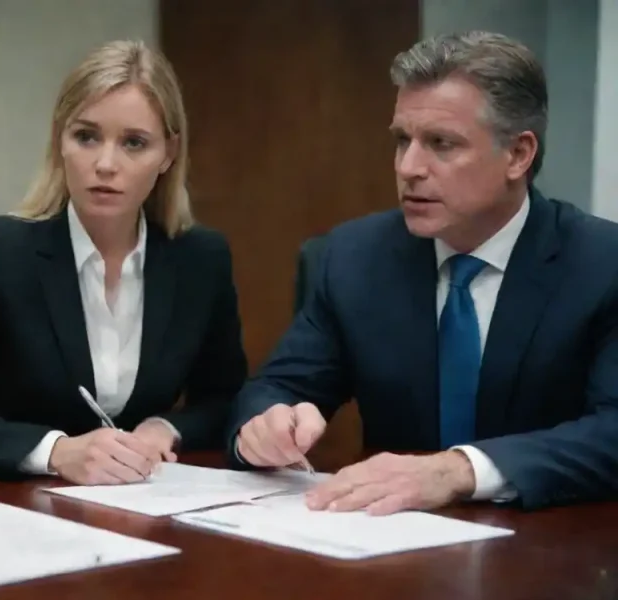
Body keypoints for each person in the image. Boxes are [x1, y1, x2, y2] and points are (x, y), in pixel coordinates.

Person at [230, 30, 618, 513]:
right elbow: (276, 388)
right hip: (392, 549)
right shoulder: (352, 257)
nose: (409, 167)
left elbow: (612, 432)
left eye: (441, 144)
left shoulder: (602, 264)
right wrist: (267, 425)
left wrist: (459, 470)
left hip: (555, 549)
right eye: (402, 141)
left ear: (518, 154)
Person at [0, 40, 247, 484]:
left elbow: (227, 399)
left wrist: (166, 428)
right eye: (86, 137)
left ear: (168, 154)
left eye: (134, 143)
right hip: (15, 512)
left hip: (139, 507)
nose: (106, 164)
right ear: (60, 140)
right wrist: (55, 451)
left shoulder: (200, 260)